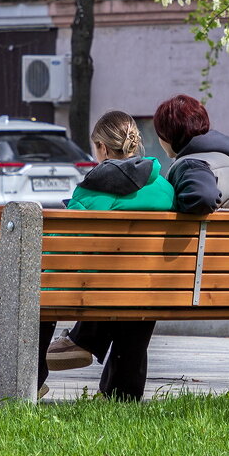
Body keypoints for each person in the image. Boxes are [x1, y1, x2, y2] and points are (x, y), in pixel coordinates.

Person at [45, 95, 229, 397]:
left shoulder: (191, 166)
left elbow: (63, 251)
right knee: (139, 284)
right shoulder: (171, 184)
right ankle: (118, 391)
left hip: (200, 283)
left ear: (103, 149)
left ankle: (80, 346)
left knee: (120, 282)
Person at [40, 110, 175, 401]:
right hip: (152, 287)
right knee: (136, 291)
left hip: (94, 290)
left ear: (102, 148)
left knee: (38, 287)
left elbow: (58, 246)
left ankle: (33, 379)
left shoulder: (95, 187)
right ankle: (122, 393)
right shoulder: (165, 188)